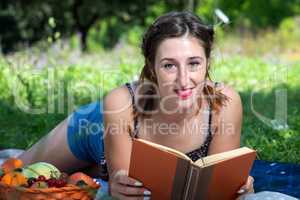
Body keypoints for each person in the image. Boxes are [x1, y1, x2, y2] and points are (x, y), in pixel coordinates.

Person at [18, 11, 254, 199]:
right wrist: (120, 183)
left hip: (106, 161)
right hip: (94, 128)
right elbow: (126, 184)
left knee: (76, 179)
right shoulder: (120, 102)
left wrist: (237, 188)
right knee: (14, 176)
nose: (184, 80)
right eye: (169, 66)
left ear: (207, 62)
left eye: (193, 63)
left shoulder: (225, 104)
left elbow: (215, 189)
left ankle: (92, 170)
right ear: (152, 67)